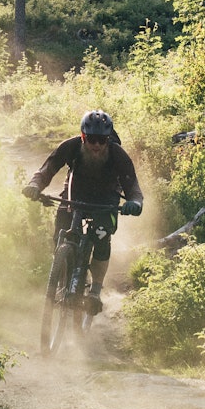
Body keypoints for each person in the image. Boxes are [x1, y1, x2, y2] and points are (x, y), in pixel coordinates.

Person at [23, 110, 144, 314]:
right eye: (91, 139)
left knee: (102, 237)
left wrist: (135, 203)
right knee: (61, 231)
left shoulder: (117, 155)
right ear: (82, 137)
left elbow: (133, 187)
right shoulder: (70, 147)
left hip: (106, 199)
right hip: (74, 193)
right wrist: (35, 185)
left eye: (102, 140)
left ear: (108, 140)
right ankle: (63, 272)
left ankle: (95, 290)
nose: (96, 145)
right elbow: (48, 168)